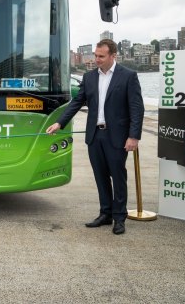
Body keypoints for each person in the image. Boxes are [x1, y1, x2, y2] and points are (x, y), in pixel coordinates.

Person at [46, 39, 144, 235]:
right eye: (95, 56)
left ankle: (119, 217)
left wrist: (134, 136)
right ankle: (105, 213)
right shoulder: (89, 77)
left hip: (117, 136)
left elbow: (136, 108)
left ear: (113, 56)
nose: (96, 60)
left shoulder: (128, 76)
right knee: (100, 177)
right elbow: (76, 103)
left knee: (118, 176)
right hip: (95, 135)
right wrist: (59, 122)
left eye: (101, 56)